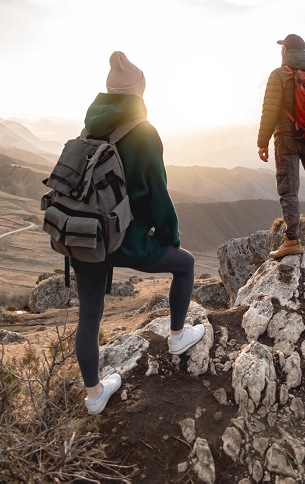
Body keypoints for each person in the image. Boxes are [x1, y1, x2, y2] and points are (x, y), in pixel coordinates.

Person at [72, 51, 205, 415]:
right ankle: (178, 337)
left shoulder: (89, 128)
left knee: (89, 314)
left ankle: (94, 394)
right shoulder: (143, 132)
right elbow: (156, 194)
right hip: (124, 239)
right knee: (185, 264)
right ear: (139, 93)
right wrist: (168, 237)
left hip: (85, 236)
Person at [257, 33, 305, 258]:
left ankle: (292, 240)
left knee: (288, 187)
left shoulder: (279, 74)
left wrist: (262, 142)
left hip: (286, 137)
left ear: (285, 51)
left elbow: (270, 110)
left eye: (282, 48)